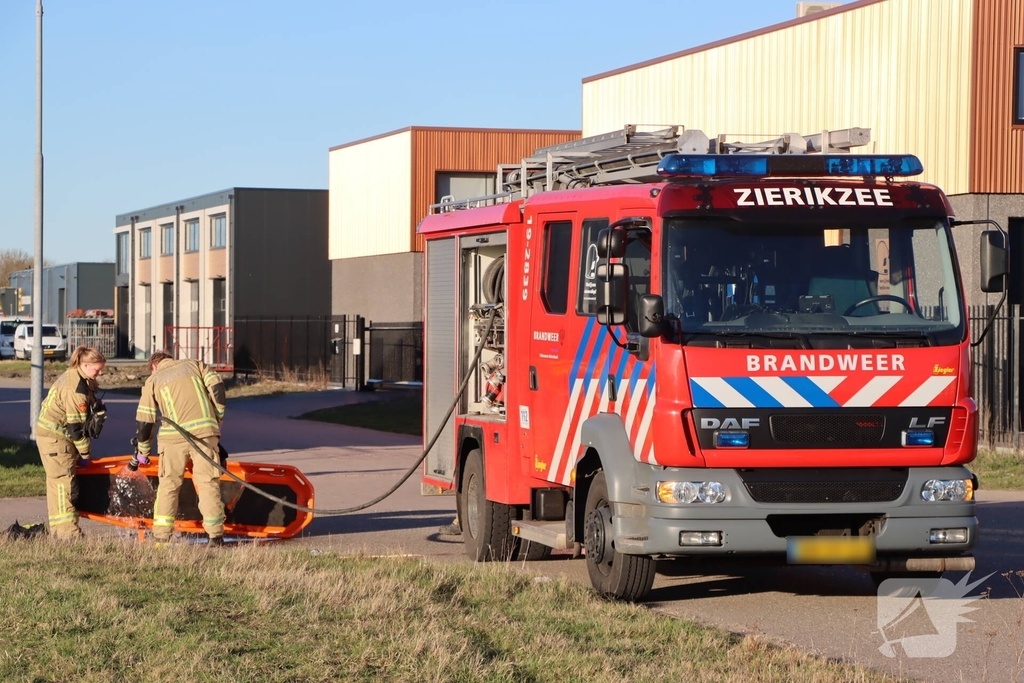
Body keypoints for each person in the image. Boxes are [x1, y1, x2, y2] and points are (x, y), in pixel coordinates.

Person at [134, 351, 227, 546]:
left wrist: (143, 452)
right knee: (207, 483)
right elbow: (217, 387)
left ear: (153, 366)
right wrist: (216, 418)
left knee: (168, 486)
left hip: (173, 440)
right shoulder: (195, 365)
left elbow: (145, 420)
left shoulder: (153, 380)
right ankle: (216, 537)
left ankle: (161, 537)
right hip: (204, 434)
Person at [35, 346, 107, 539]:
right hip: (56, 438)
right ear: (85, 364)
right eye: (97, 369)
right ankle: (68, 533)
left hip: (52, 435)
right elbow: (76, 430)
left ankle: (60, 530)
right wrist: (86, 455)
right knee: (64, 483)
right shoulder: (76, 389)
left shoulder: (76, 377)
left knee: (56, 482)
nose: (100, 373)